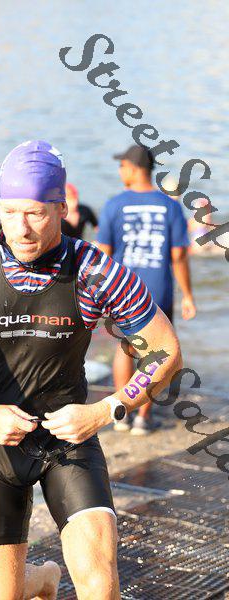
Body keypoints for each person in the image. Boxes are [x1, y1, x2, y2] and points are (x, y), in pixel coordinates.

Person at [0, 140, 183, 600]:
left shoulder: (95, 270)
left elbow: (166, 352)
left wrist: (106, 410)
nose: (21, 228)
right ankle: (43, 578)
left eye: (35, 213)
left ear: (61, 208)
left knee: (100, 587)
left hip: (69, 441)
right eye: (10, 212)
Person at [97, 144, 195, 436]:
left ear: (132, 168)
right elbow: (179, 255)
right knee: (156, 354)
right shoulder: (170, 206)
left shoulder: (114, 205)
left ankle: (121, 414)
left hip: (122, 292)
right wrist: (188, 295)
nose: (120, 171)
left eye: (122, 166)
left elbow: (103, 254)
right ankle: (143, 417)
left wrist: (97, 294)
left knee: (124, 349)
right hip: (158, 289)